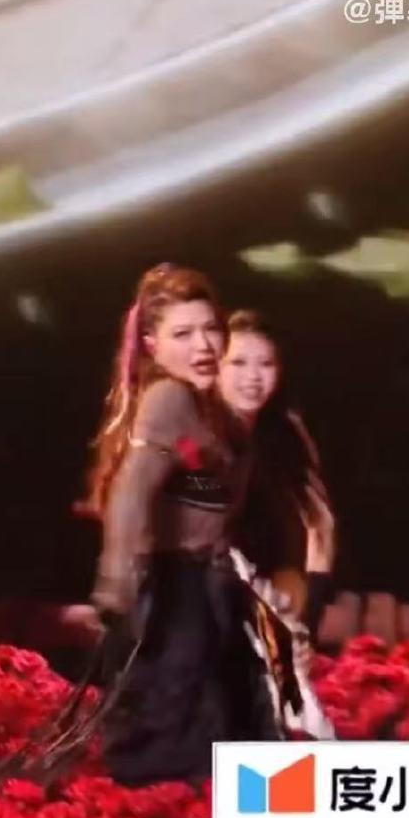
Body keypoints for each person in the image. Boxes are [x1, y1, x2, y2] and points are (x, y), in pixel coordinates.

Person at [81, 264, 280, 786]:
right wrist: (115, 581)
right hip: (174, 596)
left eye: (211, 328)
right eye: (183, 334)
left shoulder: (201, 405)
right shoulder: (169, 397)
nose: (204, 345)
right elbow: (131, 490)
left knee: (225, 736)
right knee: (179, 743)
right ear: (152, 344)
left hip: (203, 589)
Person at [218, 310, 337, 739]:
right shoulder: (195, 436)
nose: (253, 377)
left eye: (265, 363)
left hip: (277, 606)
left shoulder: (286, 434)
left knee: (301, 731)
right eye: (238, 363)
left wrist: (304, 628)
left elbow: (320, 526)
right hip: (213, 606)